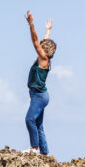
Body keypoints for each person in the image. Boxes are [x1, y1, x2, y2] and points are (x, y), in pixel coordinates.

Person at [24, 11, 56, 155]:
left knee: (30, 120)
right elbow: (43, 42)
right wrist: (48, 31)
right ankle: (45, 153)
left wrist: (31, 24)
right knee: (39, 125)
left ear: (44, 50)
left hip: (39, 96)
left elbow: (36, 41)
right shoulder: (45, 57)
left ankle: (34, 148)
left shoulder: (43, 58)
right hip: (40, 95)